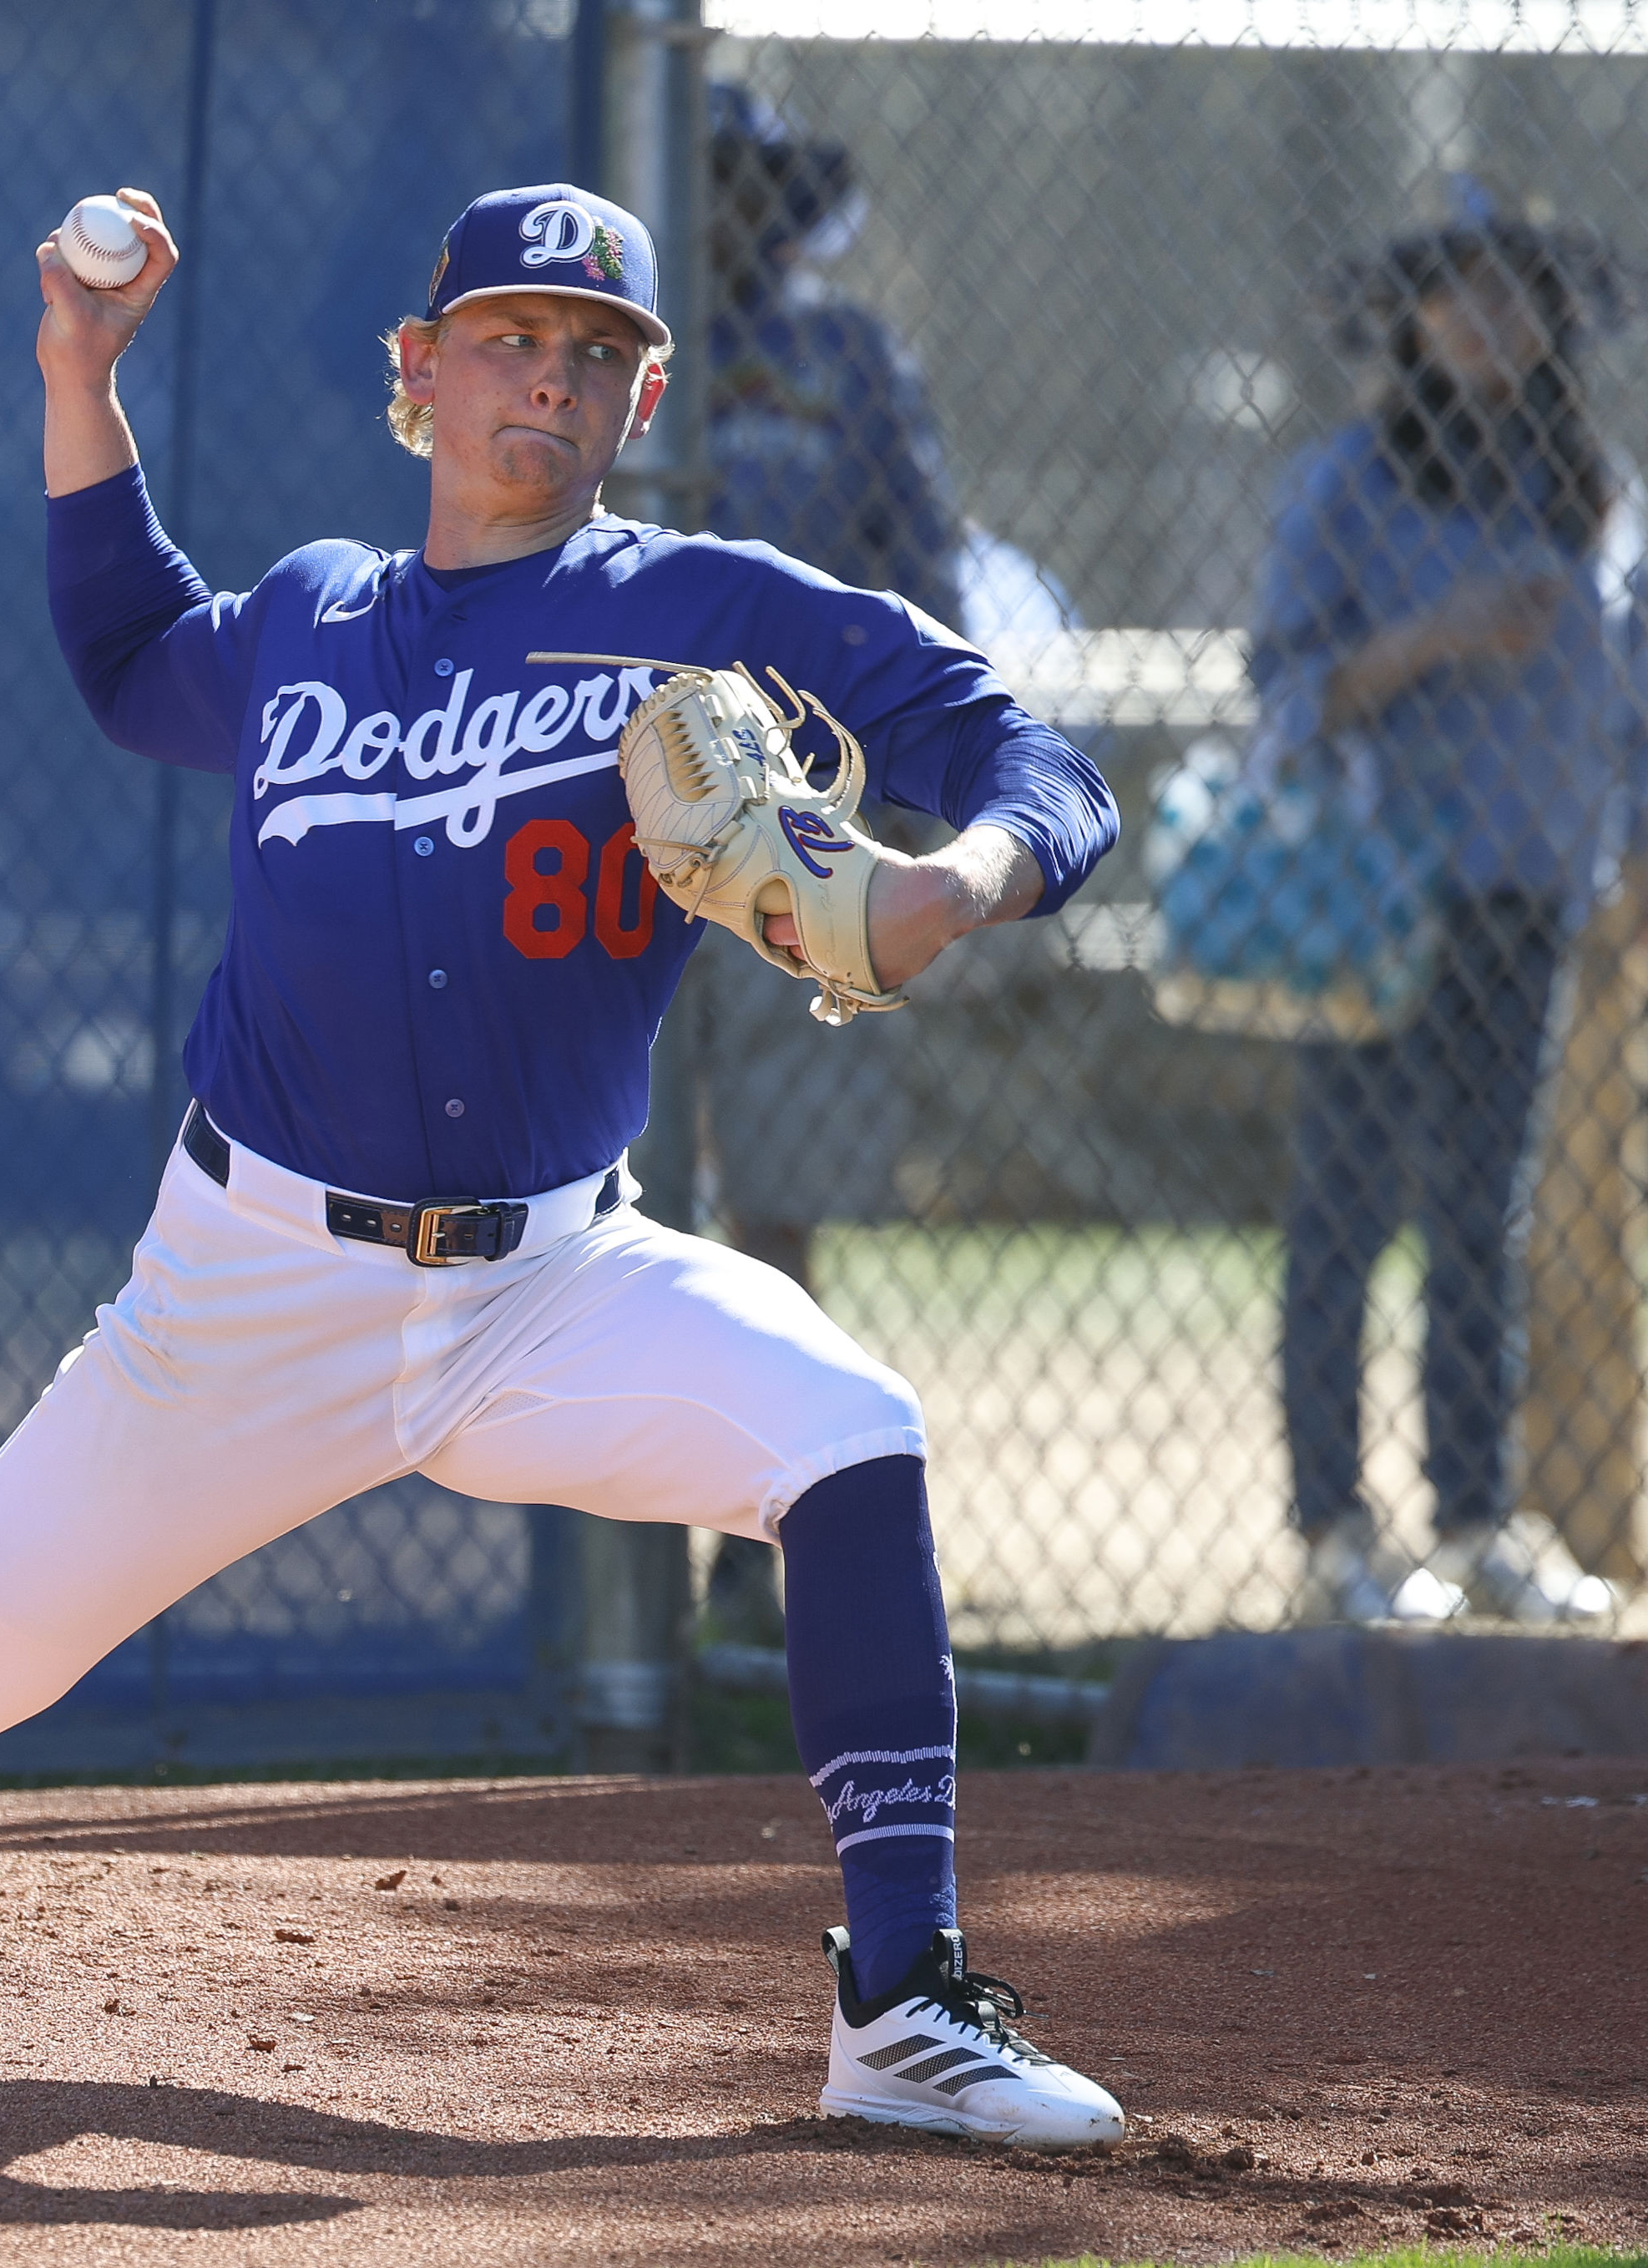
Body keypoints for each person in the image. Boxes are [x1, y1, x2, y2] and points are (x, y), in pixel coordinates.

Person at [0, 180, 1126, 2151]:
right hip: (248, 1287)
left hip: (549, 1281)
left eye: (597, 352)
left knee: (849, 1431)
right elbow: (121, 650)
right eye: (513, 337)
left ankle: (901, 2005)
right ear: (418, 371)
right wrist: (77, 372)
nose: (552, 377)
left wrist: (961, 879)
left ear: (645, 395)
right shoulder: (310, 617)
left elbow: (1042, 757)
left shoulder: (711, 612)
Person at [1256, 190, 1648, 1628]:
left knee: (1481, 1217)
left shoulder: (1589, 483)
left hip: (1529, 889)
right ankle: (1333, 1533)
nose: (1487, 322)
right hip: (1377, 899)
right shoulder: (1351, 483)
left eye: (1515, 296)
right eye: (1458, 296)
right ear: (1413, 320)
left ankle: (1479, 1521)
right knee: (1346, 1209)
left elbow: (1633, 695)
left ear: (1555, 321)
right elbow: (1282, 690)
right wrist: (1436, 638)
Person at [675, 90, 970, 1640]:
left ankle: (747, 1539)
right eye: (701, 181)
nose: (729, 215)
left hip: (792, 812)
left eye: (749, 188)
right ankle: (598, 1557)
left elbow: (919, 565)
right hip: (602, 824)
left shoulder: (845, 360)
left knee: (774, 1188)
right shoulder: (596, 357)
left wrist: (902, 791)